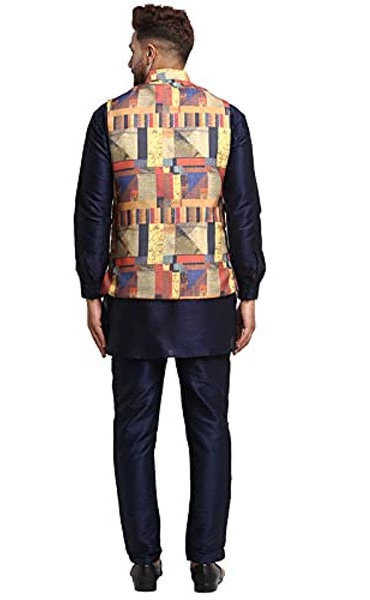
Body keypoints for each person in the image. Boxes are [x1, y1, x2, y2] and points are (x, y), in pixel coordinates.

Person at [73, 4, 266, 592]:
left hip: (134, 301)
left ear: (151, 53)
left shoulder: (109, 118)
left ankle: (144, 562)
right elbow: (244, 211)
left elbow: (92, 212)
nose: (128, 57)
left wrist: (90, 291)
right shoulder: (227, 117)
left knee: (134, 430)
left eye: (133, 48)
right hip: (208, 300)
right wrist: (250, 290)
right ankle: (205, 561)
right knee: (210, 428)